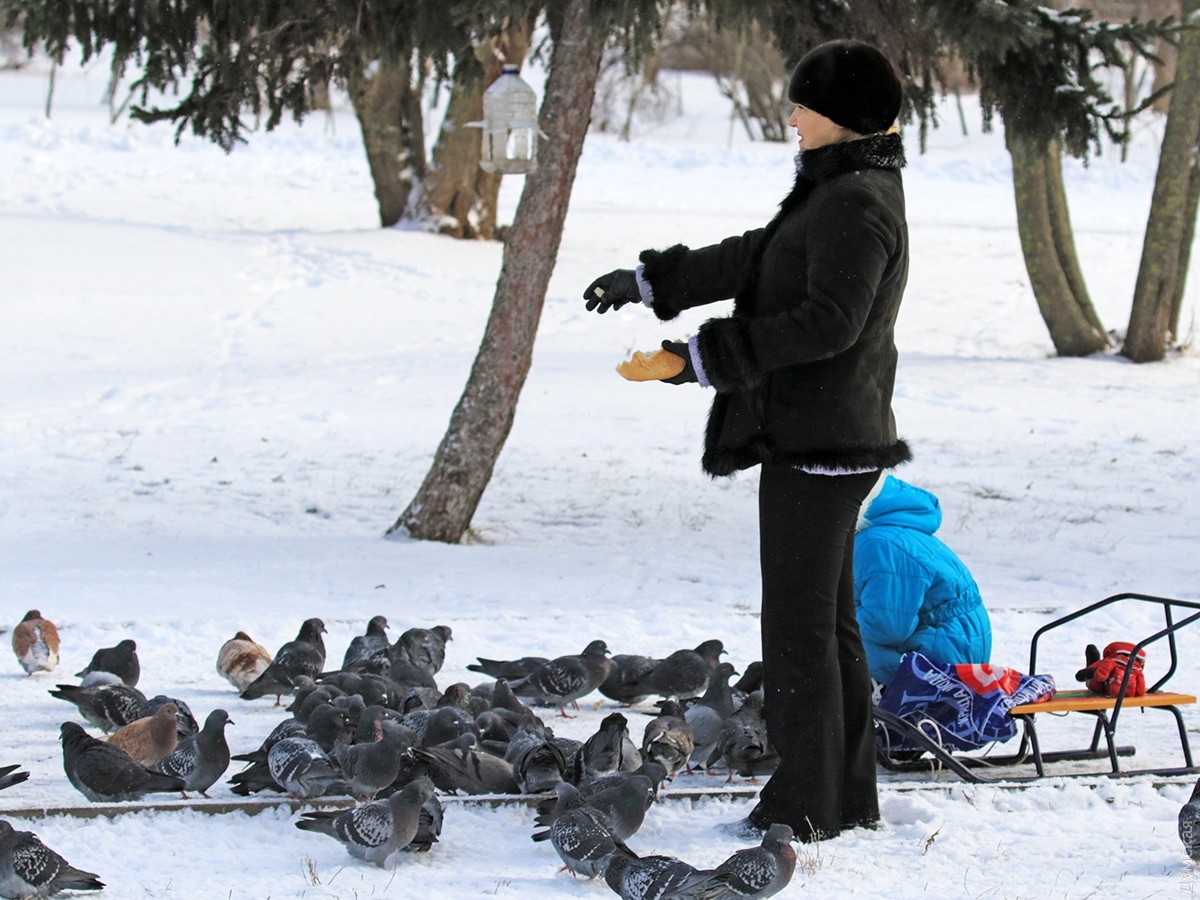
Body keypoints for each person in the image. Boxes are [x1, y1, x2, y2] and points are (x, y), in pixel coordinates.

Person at [583, 39, 909, 843]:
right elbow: (760, 258)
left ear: (841, 116)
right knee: (828, 626)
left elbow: (829, 324)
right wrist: (652, 283)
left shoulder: (858, 204)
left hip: (823, 439)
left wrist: (703, 360)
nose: (791, 116)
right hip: (824, 433)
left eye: (804, 104)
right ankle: (844, 796)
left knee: (798, 632)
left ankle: (805, 805)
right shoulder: (838, 190)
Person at [854, 474, 993, 686]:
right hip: (957, 641)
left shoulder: (878, 544)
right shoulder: (886, 528)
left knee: (834, 642)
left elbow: (886, 628)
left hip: (947, 652)